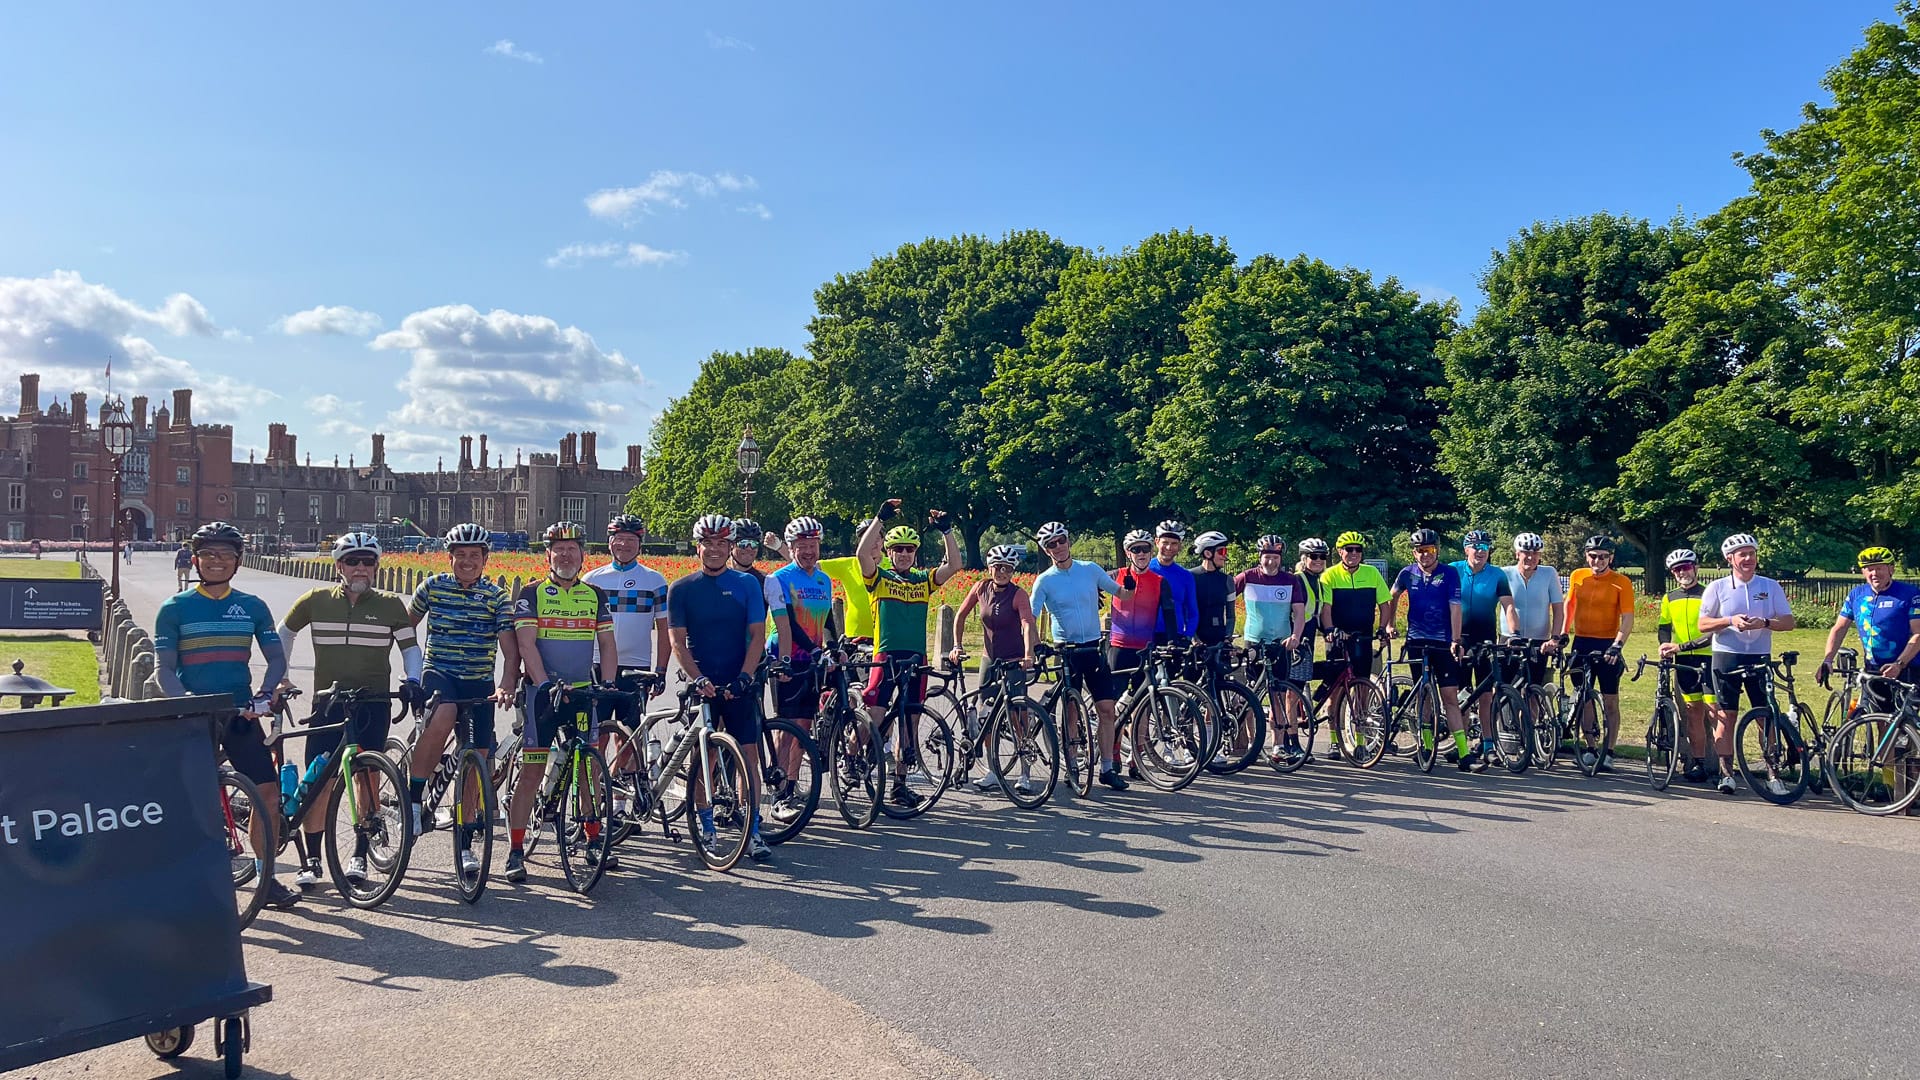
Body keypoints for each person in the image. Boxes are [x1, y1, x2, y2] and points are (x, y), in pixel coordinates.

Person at [153, 521, 298, 910]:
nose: (217, 562)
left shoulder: (252, 606)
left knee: (266, 796)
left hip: (239, 714)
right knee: (187, 800)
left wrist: (265, 696)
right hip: (194, 714)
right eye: (209, 555)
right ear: (196, 559)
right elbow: (163, 668)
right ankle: (185, 878)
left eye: (227, 556)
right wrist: (184, 703)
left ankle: (266, 878)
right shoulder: (175, 608)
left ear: (237, 562)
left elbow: (275, 658)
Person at [277, 532, 424, 887]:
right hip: (327, 702)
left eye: (368, 562)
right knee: (321, 778)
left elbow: (410, 648)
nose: (360, 568)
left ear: (376, 566)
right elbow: (282, 633)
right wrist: (280, 679)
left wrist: (412, 680)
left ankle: (360, 852)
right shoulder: (316, 599)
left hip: (373, 701)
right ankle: (312, 860)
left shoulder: (389, 605)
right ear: (339, 565)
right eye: (352, 561)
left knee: (367, 776)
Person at [509, 522, 620, 873]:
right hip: (543, 694)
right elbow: (526, 644)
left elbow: (606, 644)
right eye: (559, 549)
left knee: (588, 769)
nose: (566, 555)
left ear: (583, 555)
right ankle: (514, 850)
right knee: (532, 771)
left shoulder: (594, 595)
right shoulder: (532, 593)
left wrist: (608, 683)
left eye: (572, 549)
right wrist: (543, 685)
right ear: (548, 556)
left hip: (582, 692)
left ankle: (592, 840)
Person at [409, 523, 520, 875]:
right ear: (450, 557)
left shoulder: (496, 596)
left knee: (478, 759)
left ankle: (465, 840)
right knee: (443, 717)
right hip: (440, 673)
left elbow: (509, 647)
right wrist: (410, 671)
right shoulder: (433, 587)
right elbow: (404, 626)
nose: (467, 561)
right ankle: (412, 802)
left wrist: (505, 684)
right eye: (461, 555)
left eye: (475, 555)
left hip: (478, 680)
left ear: (485, 559)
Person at [668, 514, 772, 859]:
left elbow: (757, 635)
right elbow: (678, 644)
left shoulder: (747, 585)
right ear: (698, 547)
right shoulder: (681, 588)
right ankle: (706, 826)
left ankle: (754, 829)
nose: (714, 550)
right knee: (706, 757)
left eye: (721, 544)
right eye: (708, 543)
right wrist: (697, 678)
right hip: (702, 677)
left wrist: (745, 675)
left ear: (730, 548)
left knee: (749, 758)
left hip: (739, 676)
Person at [856, 499, 962, 808]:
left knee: (910, 723)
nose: (903, 554)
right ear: (889, 552)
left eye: (909, 549)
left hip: (916, 659)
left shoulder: (922, 581)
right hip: (885, 657)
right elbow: (863, 553)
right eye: (897, 549)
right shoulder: (879, 578)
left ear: (915, 553)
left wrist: (946, 530)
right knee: (874, 718)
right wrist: (879, 518)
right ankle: (850, 756)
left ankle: (899, 784)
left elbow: (955, 565)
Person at [1027, 520, 1137, 791]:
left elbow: (1121, 594)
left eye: (1061, 540)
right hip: (1067, 651)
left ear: (1069, 541)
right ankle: (1073, 765)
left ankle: (1108, 768)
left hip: (1093, 647)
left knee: (1107, 709)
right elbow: (1030, 617)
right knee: (1072, 711)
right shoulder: (1045, 580)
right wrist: (1036, 646)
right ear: (1045, 549)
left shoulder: (1090, 570)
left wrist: (1131, 585)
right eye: (1051, 544)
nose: (1058, 547)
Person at [1697, 533, 1796, 795]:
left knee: (1766, 715)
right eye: (1742, 554)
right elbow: (1703, 624)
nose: (1749, 559)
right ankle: (1726, 773)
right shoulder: (1717, 587)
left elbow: (1789, 622)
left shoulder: (1770, 585)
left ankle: (1773, 774)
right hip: (1727, 655)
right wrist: (1730, 621)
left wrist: (1764, 623)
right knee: (1726, 715)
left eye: (1752, 553)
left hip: (1759, 655)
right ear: (1730, 559)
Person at [950, 543, 1040, 793]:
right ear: (990, 567)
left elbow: (1026, 623)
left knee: (1018, 716)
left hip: (1013, 660)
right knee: (986, 716)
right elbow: (960, 615)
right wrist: (957, 645)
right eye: (998, 567)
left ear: (1013, 571)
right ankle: (992, 770)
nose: (1002, 572)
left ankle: (1024, 773)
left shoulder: (1018, 593)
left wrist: (1028, 654)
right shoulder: (980, 588)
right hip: (990, 659)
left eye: (1007, 568)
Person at [764, 516, 837, 821]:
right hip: (787, 659)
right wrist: (813, 649)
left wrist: (833, 648)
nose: (808, 551)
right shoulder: (781, 578)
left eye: (813, 545)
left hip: (812, 661)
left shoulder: (823, 579)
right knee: (786, 728)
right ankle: (778, 792)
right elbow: (789, 622)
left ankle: (791, 787)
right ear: (790, 547)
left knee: (803, 729)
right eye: (802, 546)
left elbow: (828, 619)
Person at [1385, 529, 1474, 769]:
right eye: (1420, 551)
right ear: (1414, 552)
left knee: (1449, 697)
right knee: (1422, 696)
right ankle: (1424, 746)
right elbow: (1390, 596)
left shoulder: (1449, 573)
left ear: (1437, 550)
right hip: (1416, 641)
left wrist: (1456, 639)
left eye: (1430, 550)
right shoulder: (1407, 573)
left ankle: (1464, 752)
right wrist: (1390, 623)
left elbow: (1456, 607)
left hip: (1443, 642)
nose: (1425, 555)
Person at [581, 514, 670, 741]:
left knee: (629, 737)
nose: (625, 545)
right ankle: (598, 777)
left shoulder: (654, 580)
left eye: (631, 540)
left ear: (640, 544)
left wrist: (661, 670)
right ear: (610, 542)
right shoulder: (591, 580)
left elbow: (664, 629)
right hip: (597, 663)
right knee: (596, 734)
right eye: (619, 539)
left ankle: (618, 775)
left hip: (635, 666)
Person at [1562, 535, 1636, 772]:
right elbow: (1569, 605)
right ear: (1586, 556)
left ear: (1611, 558)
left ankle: (1610, 750)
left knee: (1610, 699)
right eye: (1593, 556)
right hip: (1581, 642)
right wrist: (1563, 632)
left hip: (1608, 644)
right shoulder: (1577, 576)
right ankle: (1591, 748)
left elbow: (1627, 617)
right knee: (1583, 697)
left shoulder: (1621, 581)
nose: (1598, 560)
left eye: (1603, 556)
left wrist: (1618, 644)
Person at [1818, 546, 1920, 713]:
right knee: (1881, 720)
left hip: (1907, 667)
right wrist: (1828, 659)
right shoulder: (1856, 595)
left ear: (1891, 569)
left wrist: (1899, 664)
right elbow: (1839, 627)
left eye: (1879, 568)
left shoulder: (1910, 594)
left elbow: (1918, 633)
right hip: (1874, 668)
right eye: (1869, 569)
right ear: (1863, 572)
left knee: (1904, 724)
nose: (1874, 573)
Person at [1238, 534, 1308, 763]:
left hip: (1281, 645)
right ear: (1260, 557)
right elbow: (1225, 596)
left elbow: (1299, 612)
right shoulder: (1248, 577)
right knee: (1251, 695)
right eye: (1267, 557)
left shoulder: (1290, 580)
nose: (1271, 562)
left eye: (1275, 557)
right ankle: (1252, 743)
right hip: (1254, 643)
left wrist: (1296, 635)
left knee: (1277, 695)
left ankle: (1277, 745)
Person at [1451, 529, 1515, 762]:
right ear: (1466, 549)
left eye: (1485, 548)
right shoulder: (1453, 570)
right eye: (1476, 547)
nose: (1480, 551)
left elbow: (1508, 606)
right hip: (1458, 637)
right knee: (1462, 693)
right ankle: (1462, 743)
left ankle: (1488, 743)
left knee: (1486, 694)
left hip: (1485, 637)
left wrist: (1513, 633)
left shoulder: (1497, 575)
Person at [1318, 531, 1392, 717]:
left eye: (1357, 549)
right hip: (1337, 637)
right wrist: (1329, 629)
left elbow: (1385, 604)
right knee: (1334, 689)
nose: (1353, 553)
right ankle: (1334, 738)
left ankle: (1361, 738)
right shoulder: (1329, 575)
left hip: (1363, 636)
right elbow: (1326, 608)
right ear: (1340, 552)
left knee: (1362, 686)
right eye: (1348, 549)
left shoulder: (1372, 573)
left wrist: (1382, 628)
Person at [1656, 548, 1715, 782]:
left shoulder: (1709, 594)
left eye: (1686, 567)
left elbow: (1711, 634)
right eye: (1677, 569)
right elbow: (1664, 627)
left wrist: (1679, 647)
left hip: (1709, 658)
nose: (1683, 572)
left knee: (1716, 714)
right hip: (1683, 662)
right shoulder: (1670, 598)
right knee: (1693, 714)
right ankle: (1698, 763)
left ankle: (1723, 767)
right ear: (1673, 573)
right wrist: (1664, 645)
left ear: (1696, 568)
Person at [1501, 532, 1564, 688]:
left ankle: (1533, 712)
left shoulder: (1549, 573)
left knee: (1534, 689)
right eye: (1526, 552)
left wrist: (1554, 638)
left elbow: (1558, 609)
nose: (1531, 557)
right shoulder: (1505, 573)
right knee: (1503, 686)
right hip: (1510, 638)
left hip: (1539, 641)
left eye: (1535, 553)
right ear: (1517, 554)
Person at [819, 519, 879, 647]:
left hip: (884, 633)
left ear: (883, 540)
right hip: (856, 633)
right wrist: (781, 547)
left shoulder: (892, 565)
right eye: (867, 537)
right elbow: (808, 566)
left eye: (877, 537)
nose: (873, 542)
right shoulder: (849, 564)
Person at [1149, 520, 1199, 644]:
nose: (1169, 548)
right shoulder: (1146, 570)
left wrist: (1188, 636)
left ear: (1180, 546)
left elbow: (1192, 611)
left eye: (1174, 543)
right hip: (1147, 635)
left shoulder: (1185, 576)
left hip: (1175, 637)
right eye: (1165, 542)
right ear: (1156, 542)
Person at [1190, 531, 1236, 647]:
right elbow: (1185, 611)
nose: (1225, 556)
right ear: (1207, 553)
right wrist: (1193, 637)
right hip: (1196, 640)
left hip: (1219, 639)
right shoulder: (1190, 577)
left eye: (1226, 551)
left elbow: (1230, 615)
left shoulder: (1228, 580)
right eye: (1221, 551)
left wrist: (1227, 637)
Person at [730, 518, 768, 584]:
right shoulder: (718, 577)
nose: (749, 548)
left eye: (754, 544)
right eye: (743, 543)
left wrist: (780, 547)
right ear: (731, 545)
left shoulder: (765, 580)